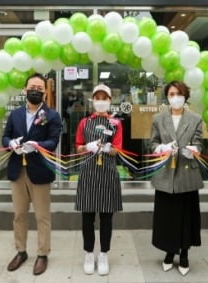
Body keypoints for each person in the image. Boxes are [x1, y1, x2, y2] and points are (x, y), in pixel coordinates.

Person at [2, 73, 62, 275]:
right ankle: (21, 251)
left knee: (42, 216)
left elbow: (53, 142)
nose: (35, 90)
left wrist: (36, 146)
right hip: (17, 170)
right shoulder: (15, 114)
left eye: (39, 87)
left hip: (40, 172)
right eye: (32, 87)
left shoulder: (52, 116)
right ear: (25, 90)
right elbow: (5, 136)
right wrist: (10, 144)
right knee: (19, 215)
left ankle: (43, 254)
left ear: (45, 91)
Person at [149, 81, 203, 276]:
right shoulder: (159, 118)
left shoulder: (195, 118)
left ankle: (185, 253)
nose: (175, 97)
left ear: (185, 96)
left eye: (179, 94)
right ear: (167, 96)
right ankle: (169, 251)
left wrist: (194, 150)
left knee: (186, 216)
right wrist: (160, 148)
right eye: (171, 94)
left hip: (187, 173)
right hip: (165, 173)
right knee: (167, 216)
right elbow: (152, 142)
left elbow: (199, 142)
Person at [75, 84, 123, 276]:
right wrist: (89, 146)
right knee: (87, 217)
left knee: (106, 218)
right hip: (88, 172)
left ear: (110, 101)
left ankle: (103, 254)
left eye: (105, 98)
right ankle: (88, 253)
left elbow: (117, 150)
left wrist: (107, 149)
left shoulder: (116, 124)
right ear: (93, 101)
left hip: (108, 173)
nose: (101, 101)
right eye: (98, 97)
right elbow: (77, 148)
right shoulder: (84, 122)